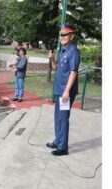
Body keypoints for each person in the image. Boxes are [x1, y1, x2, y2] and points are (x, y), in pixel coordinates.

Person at [47, 24, 80, 156]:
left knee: (63, 118)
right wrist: (52, 59)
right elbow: (57, 68)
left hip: (65, 91)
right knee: (58, 117)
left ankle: (63, 147)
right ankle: (58, 140)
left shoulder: (73, 51)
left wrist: (66, 91)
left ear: (71, 36)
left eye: (66, 34)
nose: (63, 37)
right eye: (61, 34)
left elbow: (73, 72)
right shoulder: (63, 51)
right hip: (59, 90)